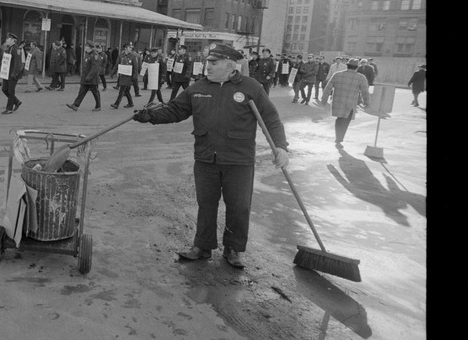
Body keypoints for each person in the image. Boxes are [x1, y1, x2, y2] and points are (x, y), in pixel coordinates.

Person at [132, 42, 289, 269]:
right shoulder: (198, 87)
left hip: (239, 160)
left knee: (239, 206)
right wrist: (150, 116)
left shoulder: (250, 87)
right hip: (206, 157)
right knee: (206, 204)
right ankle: (202, 246)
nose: (208, 67)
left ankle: (233, 248)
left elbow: (271, 119)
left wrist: (281, 147)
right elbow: (176, 110)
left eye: (213, 63)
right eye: (208, 63)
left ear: (229, 65)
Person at [320, 57, 370, 147]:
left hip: (337, 102)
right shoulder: (361, 77)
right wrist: (367, 102)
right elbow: (365, 92)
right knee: (345, 120)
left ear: (347, 66)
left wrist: (324, 100)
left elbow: (328, 88)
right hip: (350, 103)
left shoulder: (337, 75)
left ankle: (338, 138)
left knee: (339, 119)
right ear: (356, 67)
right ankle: (339, 139)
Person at [66, 39, 103, 112]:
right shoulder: (87, 54)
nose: (85, 47)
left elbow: (95, 68)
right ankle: (75, 105)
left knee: (95, 93)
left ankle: (98, 106)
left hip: (92, 79)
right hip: (86, 78)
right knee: (82, 91)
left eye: (86, 46)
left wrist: (89, 76)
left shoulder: (95, 55)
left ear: (90, 47)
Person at [0, 33, 23, 114]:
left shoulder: (16, 49)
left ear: (13, 40)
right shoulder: (8, 49)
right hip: (7, 74)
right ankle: (16, 101)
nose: (6, 40)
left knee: (10, 91)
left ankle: (9, 109)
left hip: (13, 74)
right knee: (4, 89)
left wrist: (14, 73)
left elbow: (18, 63)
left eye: (8, 39)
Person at [110, 43, 137, 109]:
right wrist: (112, 72)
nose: (131, 49)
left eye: (131, 48)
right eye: (129, 48)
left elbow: (135, 68)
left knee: (122, 90)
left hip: (129, 77)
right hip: (122, 76)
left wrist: (134, 77)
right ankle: (130, 103)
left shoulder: (133, 57)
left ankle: (116, 104)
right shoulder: (120, 56)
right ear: (125, 48)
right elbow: (117, 65)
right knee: (126, 90)